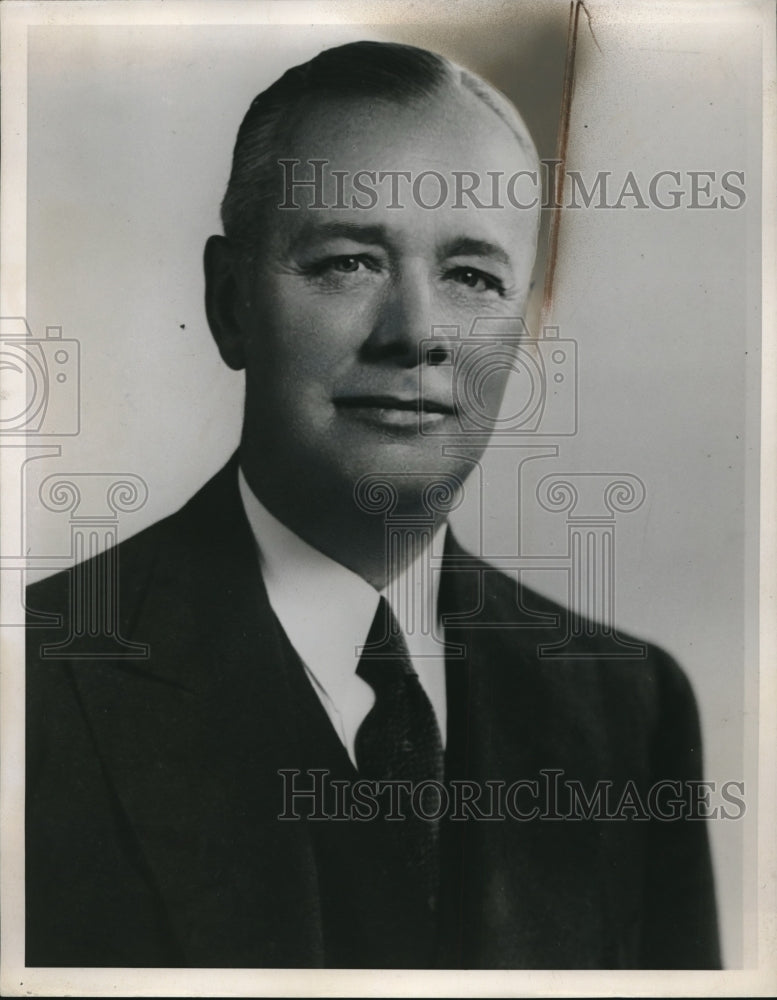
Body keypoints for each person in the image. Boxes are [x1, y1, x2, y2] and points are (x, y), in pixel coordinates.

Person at [25, 40, 720, 970]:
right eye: (348, 262)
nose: (417, 335)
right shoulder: (35, 683)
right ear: (230, 302)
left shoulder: (631, 707)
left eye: (472, 277)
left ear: (525, 331)